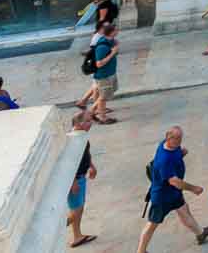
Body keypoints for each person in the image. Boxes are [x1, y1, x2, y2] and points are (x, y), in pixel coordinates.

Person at [137, 126, 208, 252]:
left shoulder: (170, 146)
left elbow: (174, 157)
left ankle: (200, 234)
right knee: (152, 224)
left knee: (184, 211)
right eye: (177, 138)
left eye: (181, 138)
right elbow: (175, 182)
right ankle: (141, 251)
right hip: (162, 197)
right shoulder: (164, 159)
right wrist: (193, 188)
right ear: (169, 138)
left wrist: (181, 154)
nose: (180, 141)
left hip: (173, 194)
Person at [67, 107, 98, 248]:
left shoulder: (82, 136)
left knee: (79, 208)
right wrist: (73, 182)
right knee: (75, 210)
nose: (91, 123)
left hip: (81, 177)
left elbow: (86, 153)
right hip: (76, 179)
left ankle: (77, 236)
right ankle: (56, 228)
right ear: (78, 123)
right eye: (87, 121)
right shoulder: (72, 140)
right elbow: (68, 163)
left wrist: (91, 166)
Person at [90, 22, 119, 124]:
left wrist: (115, 45)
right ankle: (102, 118)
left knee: (107, 93)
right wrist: (112, 53)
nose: (118, 31)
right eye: (116, 30)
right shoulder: (102, 47)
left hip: (110, 73)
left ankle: (93, 111)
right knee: (103, 97)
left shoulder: (110, 41)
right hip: (104, 76)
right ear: (111, 32)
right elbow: (99, 64)